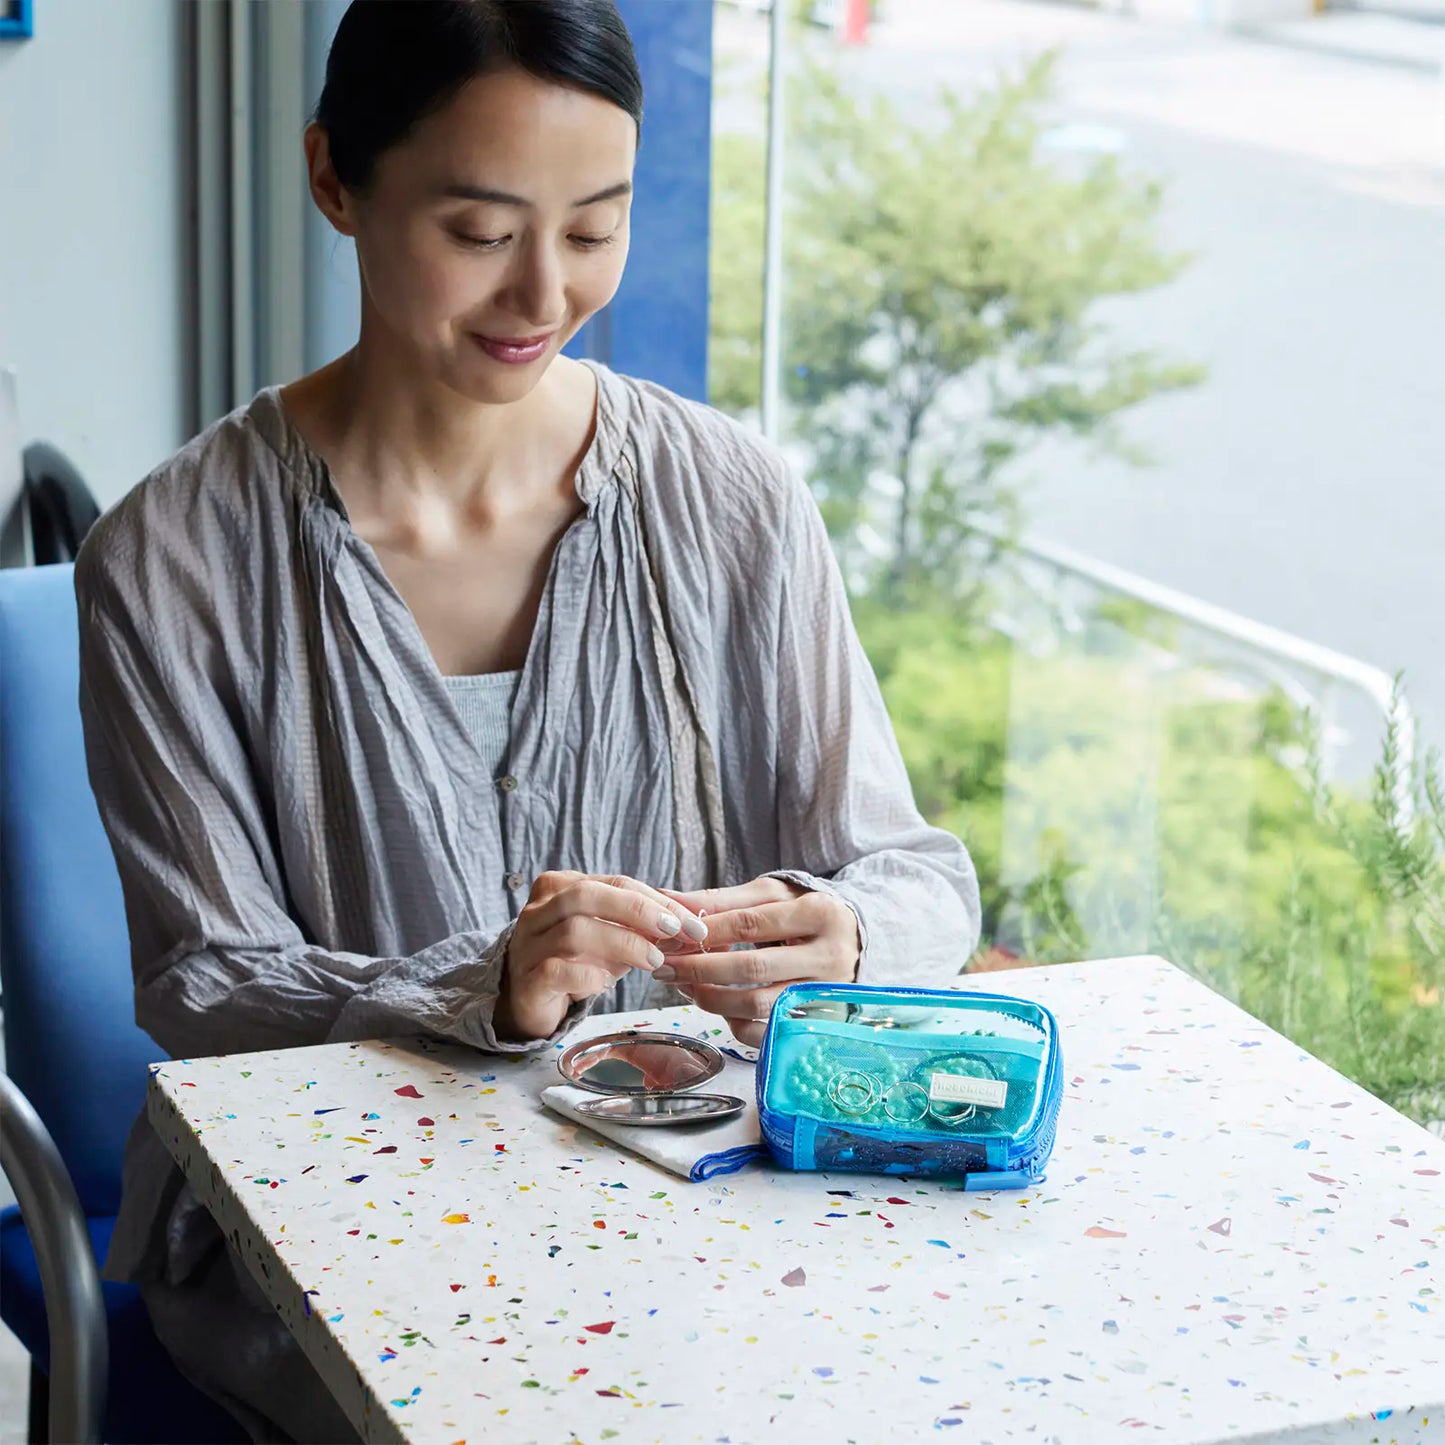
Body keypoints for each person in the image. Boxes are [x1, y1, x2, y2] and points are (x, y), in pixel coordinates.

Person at [74, 2, 981, 1439]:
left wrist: (849, 931)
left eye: (595, 226)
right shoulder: (172, 555)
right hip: (341, 1238)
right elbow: (208, 985)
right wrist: (477, 990)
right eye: (481, 232)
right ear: (333, 179)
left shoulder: (735, 502)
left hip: (699, 1201)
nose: (541, 294)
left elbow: (917, 877)